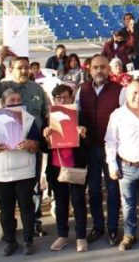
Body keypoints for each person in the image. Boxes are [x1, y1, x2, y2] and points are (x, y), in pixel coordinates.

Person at [0, 51, 49, 238]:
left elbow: (45, 112)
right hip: (8, 148)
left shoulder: (36, 89)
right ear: (11, 69)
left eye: (26, 67)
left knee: (34, 187)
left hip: (32, 145)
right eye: (19, 68)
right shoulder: (6, 87)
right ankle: (10, 227)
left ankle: (34, 222)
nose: (24, 71)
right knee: (9, 194)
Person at [0, 89, 41, 256]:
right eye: (11, 100)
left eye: (18, 99)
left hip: (24, 171)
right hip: (2, 172)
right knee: (6, 210)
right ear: (3, 103)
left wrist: (29, 144)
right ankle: (10, 241)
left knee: (26, 208)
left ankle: (28, 240)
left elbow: (37, 144)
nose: (15, 103)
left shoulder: (28, 119)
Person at [105, 80, 139, 251]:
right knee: (128, 204)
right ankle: (129, 234)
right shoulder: (118, 115)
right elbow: (111, 141)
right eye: (134, 93)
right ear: (127, 95)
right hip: (126, 167)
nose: (138, 96)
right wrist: (112, 165)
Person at [76, 54, 123, 246]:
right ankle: (98, 226)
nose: (99, 71)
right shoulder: (83, 90)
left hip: (111, 148)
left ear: (109, 70)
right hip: (90, 147)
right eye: (95, 67)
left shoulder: (119, 90)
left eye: (103, 67)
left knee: (113, 189)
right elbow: (76, 114)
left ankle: (112, 228)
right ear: (90, 69)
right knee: (94, 189)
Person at [44, 84, 88, 253]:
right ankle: (62, 235)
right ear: (54, 100)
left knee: (78, 201)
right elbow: (43, 148)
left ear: (72, 98)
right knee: (61, 203)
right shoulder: (48, 117)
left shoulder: (80, 116)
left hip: (76, 166)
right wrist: (46, 137)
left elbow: (89, 143)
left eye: (65, 97)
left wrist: (83, 135)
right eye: (58, 98)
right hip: (56, 167)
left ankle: (81, 236)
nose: (62, 100)